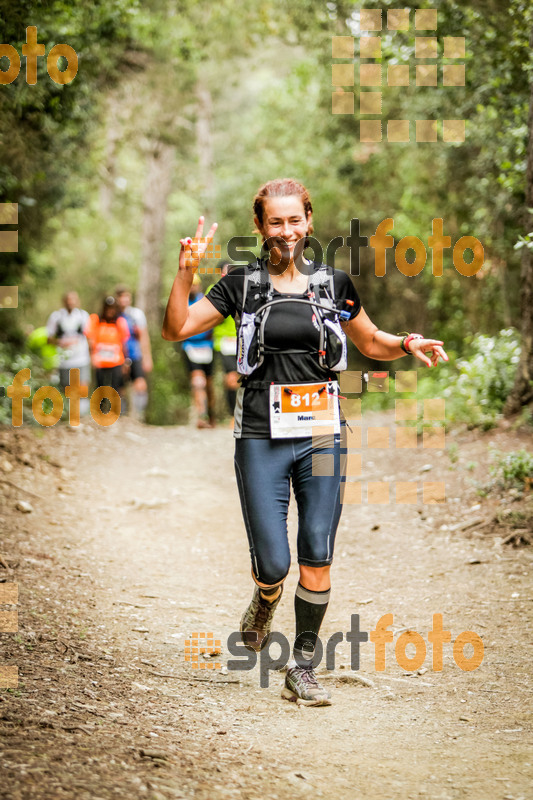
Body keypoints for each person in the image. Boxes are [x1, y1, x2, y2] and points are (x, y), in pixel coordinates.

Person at [162, 178, 448, 706]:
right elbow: (175, 328)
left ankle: (302, 666)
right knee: (273, 563)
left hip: (321, 433)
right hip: (259, 435)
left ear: (309, 221)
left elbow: (370, 341)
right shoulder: (240, 285)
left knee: (317, 550)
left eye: (295, 220)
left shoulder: (334, 283)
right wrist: (185, 272)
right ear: (260, 227)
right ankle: (265, 595)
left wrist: (408, 343)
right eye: (276, 222)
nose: (286, 230)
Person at [179, 274, 216, 429]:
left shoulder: (206, 301)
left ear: (198, 286)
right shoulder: (181, 302)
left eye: (195, 285)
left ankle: (212, 415)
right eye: (190, 285)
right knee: (197, 381)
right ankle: (201, 416)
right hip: (190, 347)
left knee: (208, 384)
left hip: (207, 346)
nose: (192, 287)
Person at [46, 291, 91, 415]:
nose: (71, 302)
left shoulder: (83, 316)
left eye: (73, 299)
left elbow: (90, 336)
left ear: (77, 301)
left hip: (82, 358)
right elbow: (48, 338)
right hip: (64, 360)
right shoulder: (56, 317)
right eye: (68, 299)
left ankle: (82, 416)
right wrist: (61, 342)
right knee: (67, 391)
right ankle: (69, 415)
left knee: (82, 388)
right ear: (64, 301)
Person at [114, 285, 153, 420]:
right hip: (118, 356)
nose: (123, 300)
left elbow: (144, 337)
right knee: (120, 387)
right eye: (121, 297)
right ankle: (122, 416)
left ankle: (139, 416)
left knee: (140, 384)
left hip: (135, 354)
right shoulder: (114, 315)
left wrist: (147, 357)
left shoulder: (136, 314)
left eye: (126, 296)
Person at [207, 262, 239, 419]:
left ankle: (246, 414)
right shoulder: (214, 290)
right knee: (231, 379)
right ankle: (234, 415)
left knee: (245, 379)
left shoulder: (243, 288)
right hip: (224, 342)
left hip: (242, 341)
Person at [85, 296, 130, 402]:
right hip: (100, 361)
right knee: (100, 388)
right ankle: (100, 412)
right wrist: (91, 356)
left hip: (116, 361)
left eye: (112, 308)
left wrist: (126, 362)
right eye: (108, 308)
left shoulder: (120, 322)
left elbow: (124, 343)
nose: (110, 311)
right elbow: (90, 339)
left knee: (116, 388)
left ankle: (115, 411)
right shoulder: (96, 320)